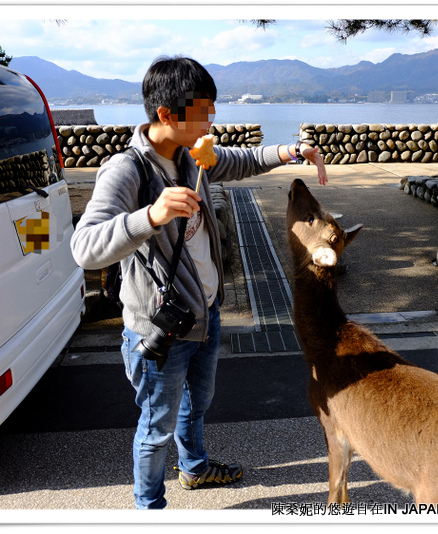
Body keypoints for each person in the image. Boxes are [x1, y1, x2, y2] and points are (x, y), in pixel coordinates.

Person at [70, 55, 327, 509]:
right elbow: (85, 247)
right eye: (204, 110)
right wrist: (150, 215)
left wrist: (290, 152)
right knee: (155, 427)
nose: (212, 118)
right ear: (167, 115)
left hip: (204, 315)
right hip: (160, 330)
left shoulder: (193, 155)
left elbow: (238, 160)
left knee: (198, 403)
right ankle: (150, 507)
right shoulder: (126, 171)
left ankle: (194, 468)